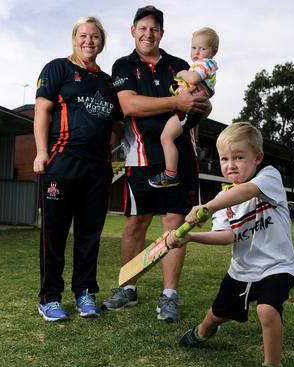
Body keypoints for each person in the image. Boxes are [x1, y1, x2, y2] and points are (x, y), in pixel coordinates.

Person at [101, 5, 212, 322]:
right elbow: (129, 104)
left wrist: (200, 103)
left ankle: (169, 296)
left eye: (155, 29)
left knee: (174, 227)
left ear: (161, 33)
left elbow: (200, 103)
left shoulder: (179, 65)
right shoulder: (123, 65)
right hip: (140, 159)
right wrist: (177, 102)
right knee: (136, 224)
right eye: (143, 27)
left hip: (182, 159)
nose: (148, 33)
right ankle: (128, 288)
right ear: (132, 30)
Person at [167, 122, 294, 367]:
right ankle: (204, 331)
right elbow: (226, 236)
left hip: (279, 266)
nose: (231, 165)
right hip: (242, 270)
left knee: (267, 310)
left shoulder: (268, 176)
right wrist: (190, 237)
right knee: (217, 315)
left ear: (257, 157)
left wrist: (206, 207)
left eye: (239, 157)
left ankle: (272, 363)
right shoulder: (221, 200)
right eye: (224, 159)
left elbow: (247, 192)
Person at [34, 16, 122, 322]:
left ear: (102, 42)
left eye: (95, 37)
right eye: (83, 35)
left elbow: (118, 125)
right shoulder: (58, 68)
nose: (89, 41)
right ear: (74, 38)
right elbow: (42, 111)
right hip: (61, 162)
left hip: (97, 169)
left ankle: (86, 293)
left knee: (89, 235)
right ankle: (49, 298)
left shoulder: (108, 83)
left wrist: (107, 149)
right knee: (54, 234)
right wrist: (42, 152)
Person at [149, 27, 219, 189]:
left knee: (166, 137)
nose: (197, 52)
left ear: (213, 52)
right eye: (194, 47)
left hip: (188, 109)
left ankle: (170, 174)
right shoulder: (199, 64)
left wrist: (181, 73)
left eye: (202, 48)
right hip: (187, 108)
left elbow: (194, 78)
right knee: (168, 136)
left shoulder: (205, 64)